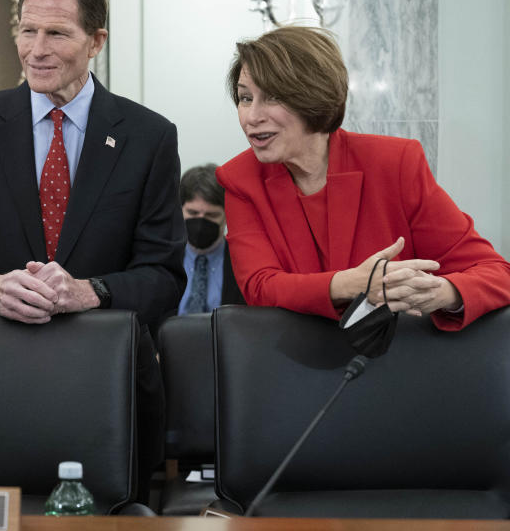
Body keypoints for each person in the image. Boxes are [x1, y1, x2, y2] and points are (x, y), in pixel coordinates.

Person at [0, 0, 186, 501]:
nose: (36, 49)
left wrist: (89, 293)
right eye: (27, 30)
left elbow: (163, 275)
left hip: (108, 389)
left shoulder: (149, 136)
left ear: (96, 42)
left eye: (57, 33)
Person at [216, 26, 510, 329]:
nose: (251, 117)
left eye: (272, 98)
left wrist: (439, 293)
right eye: (245, 98)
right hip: (292, 360)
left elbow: (495, 272)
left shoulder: (394, 163)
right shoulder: (240, 179)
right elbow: (260, 286)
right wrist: (351, 284)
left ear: (312, 96)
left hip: (393, 362)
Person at [177, 164, 244, 316]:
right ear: (179, 209)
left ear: (227, 215)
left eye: (211, 215)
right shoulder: (161, 258)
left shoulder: (244, 263)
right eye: (192, 213)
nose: (200, 223)